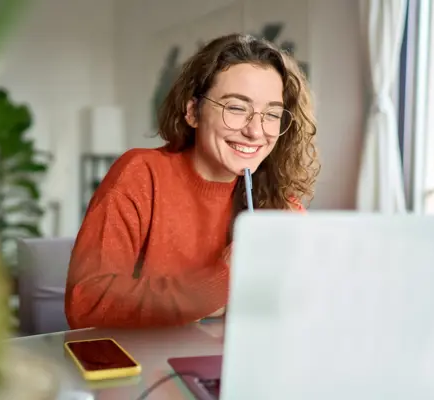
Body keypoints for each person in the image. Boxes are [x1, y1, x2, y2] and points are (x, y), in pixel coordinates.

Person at [65, 33, 319, 329]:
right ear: (193, 112)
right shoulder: (140, 174)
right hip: (141, 368)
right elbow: (86, 303)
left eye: (271, 114)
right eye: (236, 108)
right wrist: (220, 281)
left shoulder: (279, 205)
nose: (255, 131)